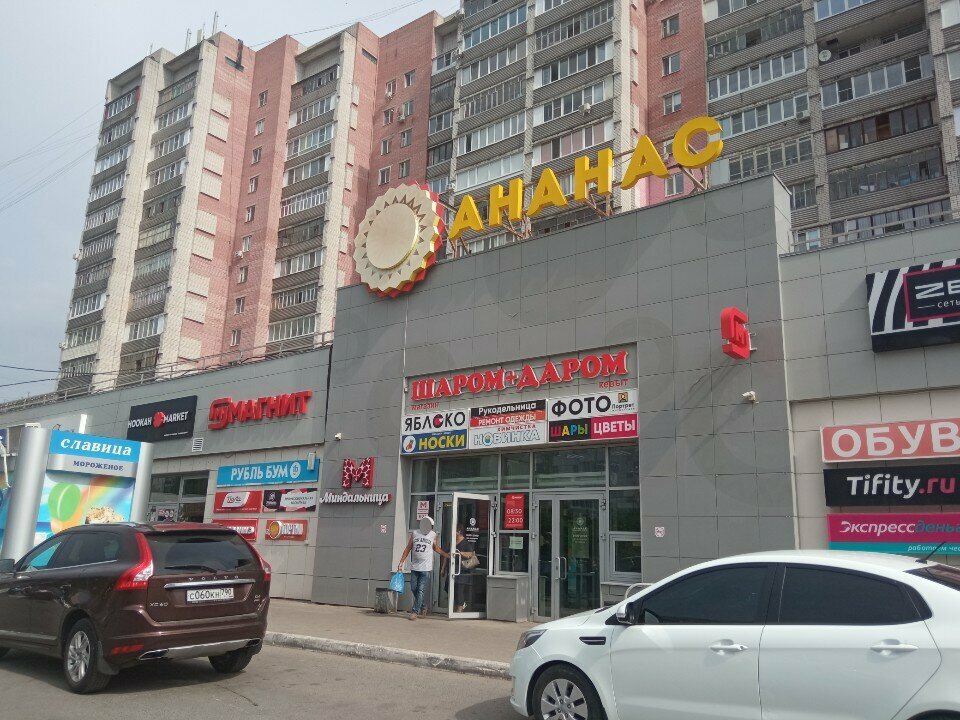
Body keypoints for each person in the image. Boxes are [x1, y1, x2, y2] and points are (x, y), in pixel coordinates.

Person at [397, 516, 449, 620]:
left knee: (420, 590)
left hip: (426, 567)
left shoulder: (433, 535)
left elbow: (435, 548)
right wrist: (401, 562)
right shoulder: (415, 533)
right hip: (415, 566)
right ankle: (424, 606)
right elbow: (408, 548)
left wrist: (445, 555)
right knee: (413, 588)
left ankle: (415, 611)